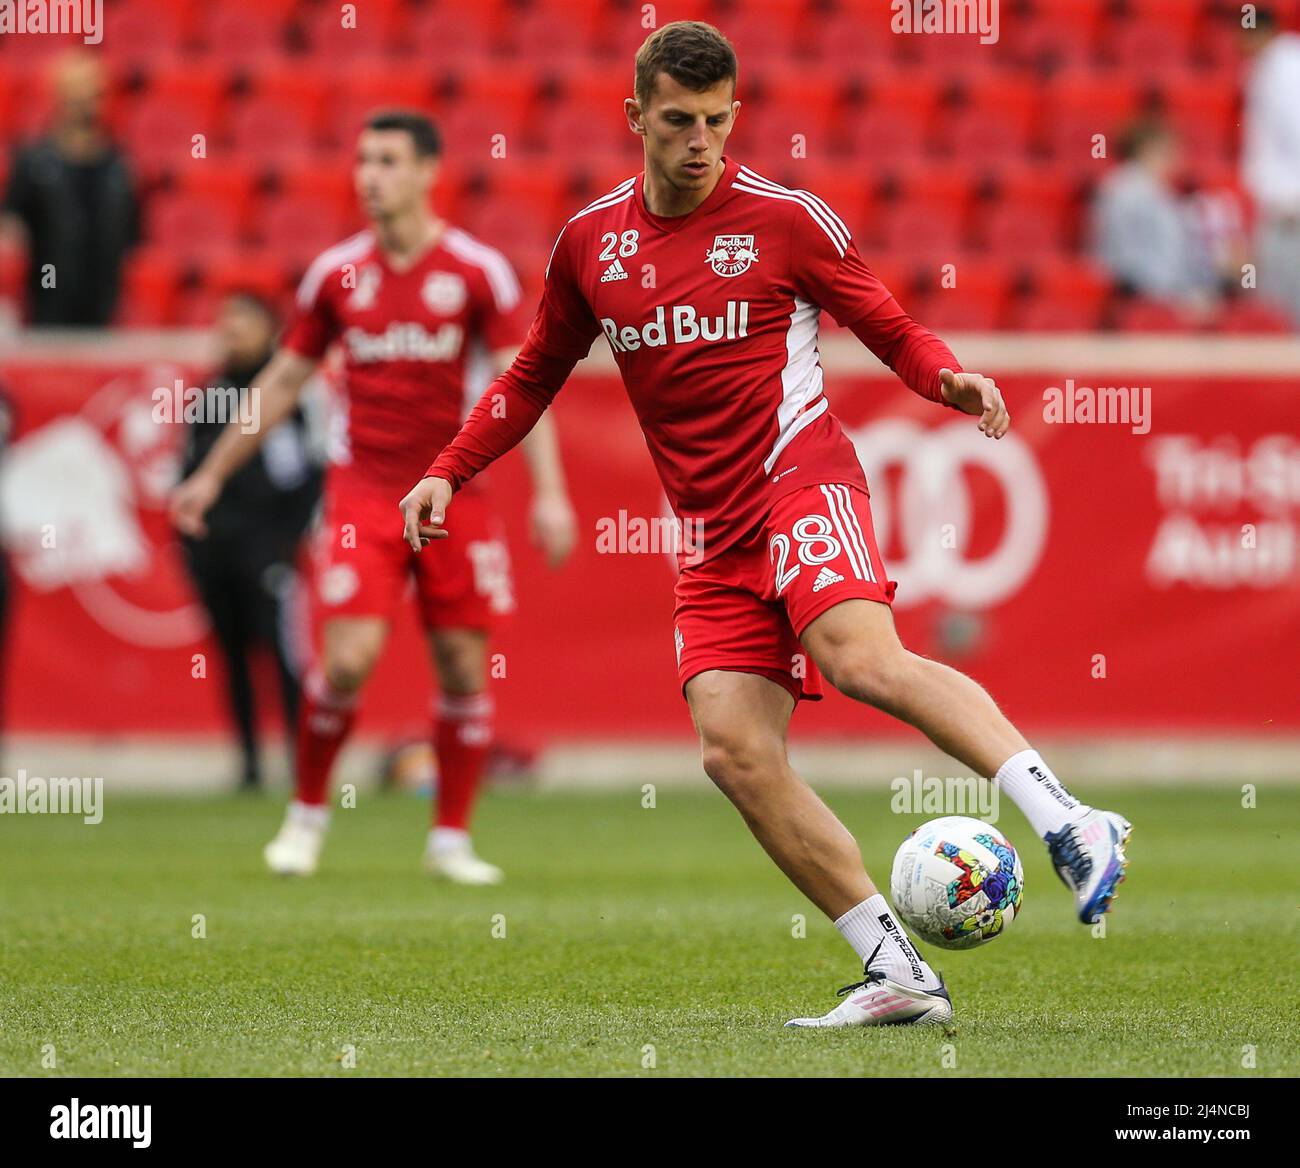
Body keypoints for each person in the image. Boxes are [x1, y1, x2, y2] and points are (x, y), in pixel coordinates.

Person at [400, 22, 1130, 1028]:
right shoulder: (590, 244)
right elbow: (531, 374)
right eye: (676, 122)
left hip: (800, 481)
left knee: (860, 657)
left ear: (733, 113)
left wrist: (943, 376)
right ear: (634, 119)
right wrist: (449, 469)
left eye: (714, 120)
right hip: (708, 532)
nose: (698, 140)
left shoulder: (785, 220)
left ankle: (1069, 818)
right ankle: (899, 971)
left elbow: (887, 322)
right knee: (733, 751)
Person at [172, 111, 577, 884]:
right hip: (363, 489)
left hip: (458, 489)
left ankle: (450, 838)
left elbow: (524, 385)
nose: (369, 175)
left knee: (462, 664)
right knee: (350, 659)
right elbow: (284, 380)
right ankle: (307, 815)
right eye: (362, 160)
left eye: (388, 160)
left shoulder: (477, 271)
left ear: (428, 171)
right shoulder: (335, 275)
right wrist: (212, 473)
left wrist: (550, 494)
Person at [178, 291, 322, 790]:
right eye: (225, 320)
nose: (230, 330)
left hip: (268, 549)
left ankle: (302, 761)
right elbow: (188, 471)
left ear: (269, 329)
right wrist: (194, 549)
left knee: (283, 656)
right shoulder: (209, 394)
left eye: (242, 321)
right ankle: (250, 764)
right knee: (233, 656)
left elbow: (309, 476)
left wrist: (287, 541)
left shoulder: (290, 395)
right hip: (217, 550)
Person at [0, 51, 138, 327]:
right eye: (80, 94)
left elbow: (131, 232)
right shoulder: (35, 161)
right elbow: (11, 222)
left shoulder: (117, 164)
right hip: (47, 300)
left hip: (105, 302)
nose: (90, 103)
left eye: (97, 94)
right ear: (60, 97)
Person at [1089, 119, 1220, 320]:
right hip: (1141, 300)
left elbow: (1175, 253)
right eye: (1172, 150)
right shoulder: (1125, 191)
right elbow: (1123, 260)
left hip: (1166, 294)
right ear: (1148, 149)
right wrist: (1174, 299)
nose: (1179, 158)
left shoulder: (1161, 193)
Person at [1240, 5, 1300, 326]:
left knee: (1286, 311)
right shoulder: (1265, 67)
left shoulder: (1288, 67)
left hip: (1291, 214)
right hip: (1279, 212)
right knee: (1273, 310)